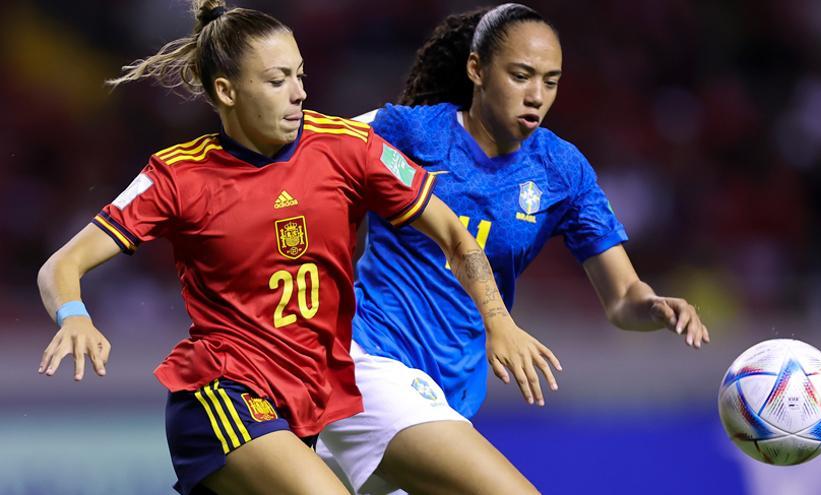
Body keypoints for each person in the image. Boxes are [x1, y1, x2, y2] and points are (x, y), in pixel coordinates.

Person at [35, 2, 558, 494]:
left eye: (300, 75)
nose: (299, 93)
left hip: (308, 401)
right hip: (223, 395)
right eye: (277, 80)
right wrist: (74, 315)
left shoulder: (348, 148)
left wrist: (499, 321)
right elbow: (62, 265)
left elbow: (455, 235)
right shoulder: (179, 175)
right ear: (227, 90)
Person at [317, 4, 711, 494]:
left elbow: (622, 297)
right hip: (369, 362)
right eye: (521, 75)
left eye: (551, 81)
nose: (537, 96)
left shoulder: (562, 171)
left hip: (447, 396)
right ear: (477, 69)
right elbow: (311, 149)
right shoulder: (411, 132)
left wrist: (655, 307)